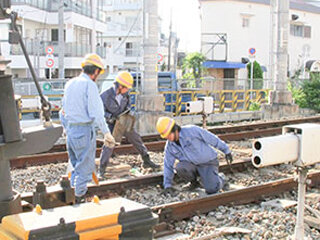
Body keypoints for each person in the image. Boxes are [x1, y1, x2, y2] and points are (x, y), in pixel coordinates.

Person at [60, 53, 116, 203]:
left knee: (75, 167)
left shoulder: (70, 83)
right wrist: (106, 133)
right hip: (84, 131)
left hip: (71, 131)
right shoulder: (89, 85)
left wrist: (66, 128)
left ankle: (70, 196)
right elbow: (96, 112)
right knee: (84, 170)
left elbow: (62, 111)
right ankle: (77, 201)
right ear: (96, 71)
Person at [99, 71, 160, 178]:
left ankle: (146, 159)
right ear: (120, 86)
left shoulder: (125, 94)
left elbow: (128, 105)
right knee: (109, 144)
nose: (128, 90)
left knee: (136, 138)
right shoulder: (105, 96)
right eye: (126, 87)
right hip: (111, 123)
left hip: (123, 120)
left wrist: (128, 113)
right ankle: (102, 169)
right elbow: (100, 112)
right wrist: (110, 117)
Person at [156, 116, 233, 195]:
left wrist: (226, 150)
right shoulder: (170, 146)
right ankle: (194, 183)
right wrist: (167, 185)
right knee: (180, 167)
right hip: (192, 165)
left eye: (168, 135)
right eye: (166, 136)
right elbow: (168, 165)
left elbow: (211, 138)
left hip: (208, 163)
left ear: (175, 129)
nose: (167, 138)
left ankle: (221, 179)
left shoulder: (192, 131)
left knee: (211, 189)